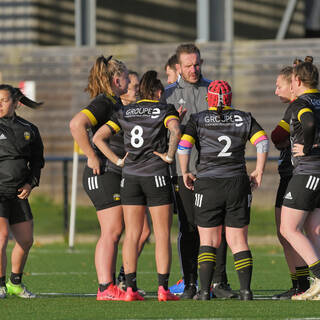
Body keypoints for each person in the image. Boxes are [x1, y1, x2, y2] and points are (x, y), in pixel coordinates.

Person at [93, 70, 181, 302]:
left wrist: (117, 161)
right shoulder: (164, 110)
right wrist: (169, 156)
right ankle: (163, 289)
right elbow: (175, 130)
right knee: (161, 234)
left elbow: (98, 137)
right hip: (156, 175)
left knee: (131, 233)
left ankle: (130, 289)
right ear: (158, 92)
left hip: (129, 176)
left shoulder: (124, 111)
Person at [177, 80, 268, 300]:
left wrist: (186, 171)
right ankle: (246, 291)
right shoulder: (244, 117)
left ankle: (205, 292)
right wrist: (259, 171)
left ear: (209, 99)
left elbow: (183, 147)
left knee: (208, 240)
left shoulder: (197, 119)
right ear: (230, 98)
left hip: (208, 183)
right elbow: (263, 142)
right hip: (237, 182)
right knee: (238, 240)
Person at [164, 43, 236, 299]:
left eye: (197, 64)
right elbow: (161, 135)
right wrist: (176, 126)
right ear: (177, 67)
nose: (194, 69)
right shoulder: (168, 94)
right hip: (182, 172)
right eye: (188, 65)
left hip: (213, 172)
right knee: (189, 226)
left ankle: (219, 282)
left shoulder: (213, 90)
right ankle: (190, 283)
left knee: (219, 227)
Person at [69, 55, 129, 301]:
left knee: (117, 229)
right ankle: (105, 287)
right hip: (101, 172)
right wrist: (91, 156)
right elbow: (76, 124)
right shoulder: (104, 102)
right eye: (125, 77)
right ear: (117, 80)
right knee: (112, 230)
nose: (128, 80)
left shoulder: (115, 102)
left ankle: (115, 284)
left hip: (112, 172)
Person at [278, 56, 320, 300]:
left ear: (297, 80)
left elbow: (309, 120)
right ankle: (315, 285)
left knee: (288, 228)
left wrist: (306, 148)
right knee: (313, 229)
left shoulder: (301, 103)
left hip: (308, 171)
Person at [0, 84, 44, 299]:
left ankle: (14, 283)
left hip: (18, 192)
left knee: (26, 240)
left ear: (16, 102)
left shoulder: (29, 129)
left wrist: (30, 184)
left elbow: (37, 162)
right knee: (1, 237)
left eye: (3, 100)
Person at [271, 63, 310, 300]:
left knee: (289, 230)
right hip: (294, 174)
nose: (276, 91)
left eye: (279, 86)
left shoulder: (298, 106)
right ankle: (301, 284)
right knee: (297, 231)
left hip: (295, 175)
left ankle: (304, 283)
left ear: (294, 84)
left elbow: (277, 136)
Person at [116, 70, 151, 292]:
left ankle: (123, 277)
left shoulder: (139, 111)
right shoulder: (119, 113)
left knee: (142, 232)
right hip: (122, 173)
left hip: (139, 173)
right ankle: (115, 281)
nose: (136, 90)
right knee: (122, 230)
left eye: (138, 86)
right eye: (132, 86)